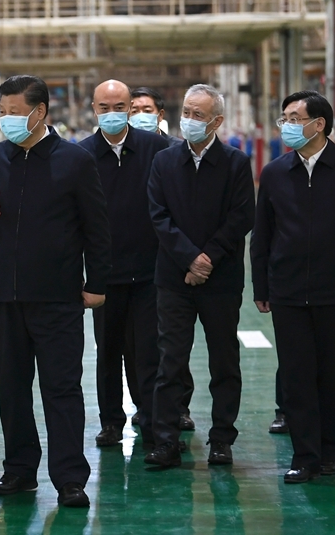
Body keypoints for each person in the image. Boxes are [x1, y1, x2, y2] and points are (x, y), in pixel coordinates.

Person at [0, 75, 112, 508]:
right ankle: (20, 470)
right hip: (3, 298)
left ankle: (70, 478)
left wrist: (97, 283)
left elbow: (97, 228)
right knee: (13, 389)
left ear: (39, 113)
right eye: (2, 112)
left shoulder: (74, 161)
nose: (7, 119)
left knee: (62, 389)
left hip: (57, 299)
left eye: (15, 112)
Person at [250, 90, 335, 484]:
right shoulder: (275, 172)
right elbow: (262, 235)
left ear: (319, 124)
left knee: (332, 374)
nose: (287, 126)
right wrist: (261, 286)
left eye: (294, 118)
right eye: (284, 119)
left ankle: (330, 452)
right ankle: (304, 456)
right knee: (296, 378)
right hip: (288, 291)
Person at [145, 84, 255, 469]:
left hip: (221, 280)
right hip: (173, 279)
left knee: (224, 362)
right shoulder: (164, 161)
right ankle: (166, 440)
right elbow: (158, 216)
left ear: (216, 121)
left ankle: (222, 439)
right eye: (187, 112)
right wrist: (190, 259)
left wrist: (207, 259)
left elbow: (241, 217)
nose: (189, 120)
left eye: (199, 115)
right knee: (170, 362)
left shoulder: (236, 163)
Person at [78, 80, 170, 449]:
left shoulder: (156, 149)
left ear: (130, 107)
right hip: (105, 274)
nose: (112, 114)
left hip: (150, 272)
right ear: (94, 109)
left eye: (120, 107)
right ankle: (111, 422)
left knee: (148, 352)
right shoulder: (82, 155)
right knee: (107, 352)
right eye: (104, 107)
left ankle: (150, 420)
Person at [129, 86, 196, 431]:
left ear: (159, 115)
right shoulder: (124, 151)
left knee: (171, 342)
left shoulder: (175, 151)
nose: (139, 115)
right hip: (134, 261)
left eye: (146, 109)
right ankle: (145, 405)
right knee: (138, 345)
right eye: (134, 109)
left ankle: (178, 406)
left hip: (171, 259)